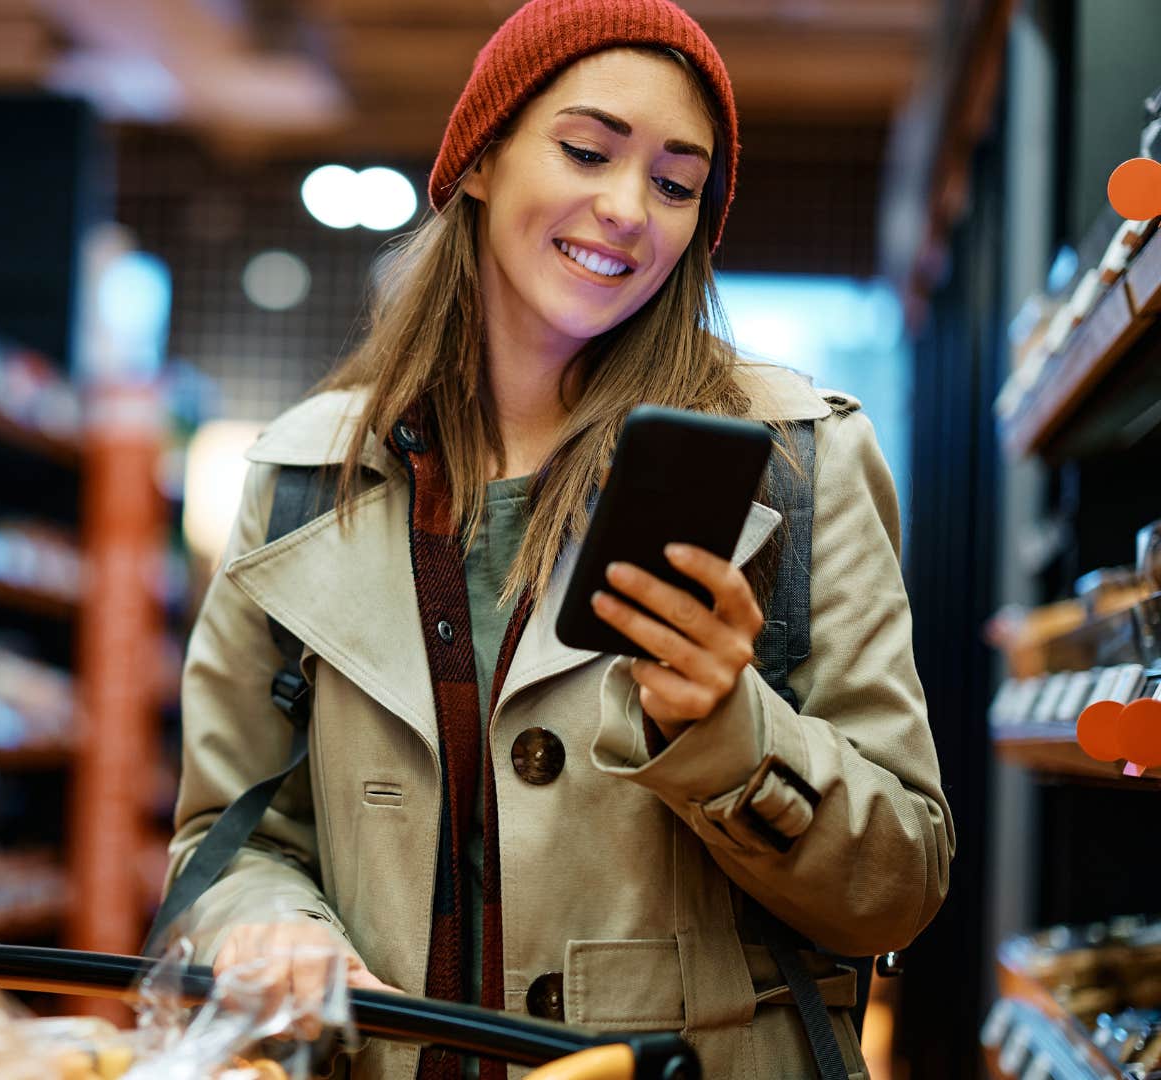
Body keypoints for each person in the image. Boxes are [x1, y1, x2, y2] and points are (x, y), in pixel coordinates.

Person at [163, 0, 955, 1077]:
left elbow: (900, 884)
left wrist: (726, 726)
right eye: (587, 150)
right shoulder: (307, 477)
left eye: (677, 185)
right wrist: (279, 935)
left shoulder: (796, 460)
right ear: (480, 159)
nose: (629, 208)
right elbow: (231, 843)